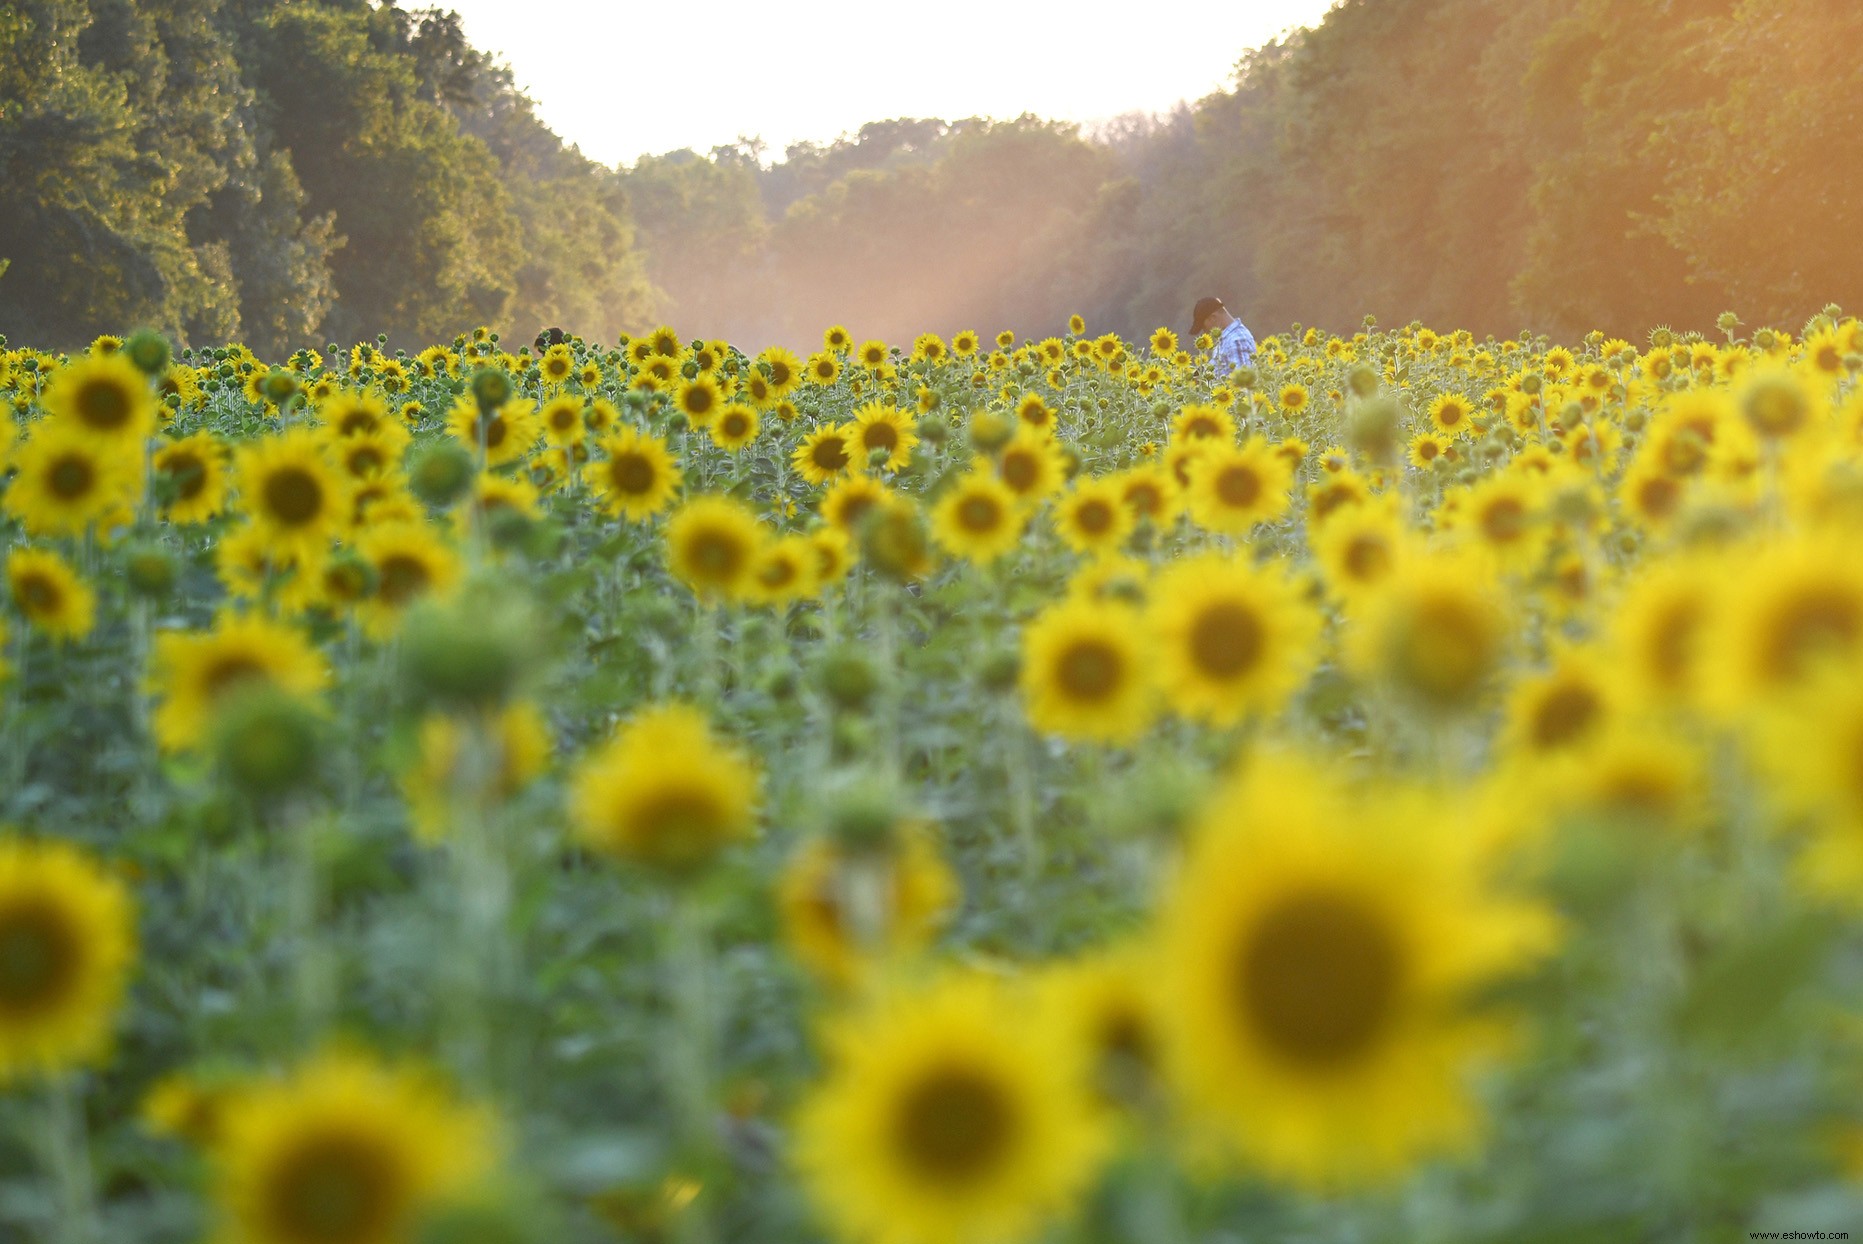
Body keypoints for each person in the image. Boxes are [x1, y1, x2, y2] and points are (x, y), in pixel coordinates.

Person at [1191, 296, 1256, 376]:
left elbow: (1243, 382)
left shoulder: (1237, 340)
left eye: (1204, 327)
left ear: (1213, 318)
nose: (1205, 332)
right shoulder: (1226, 340)